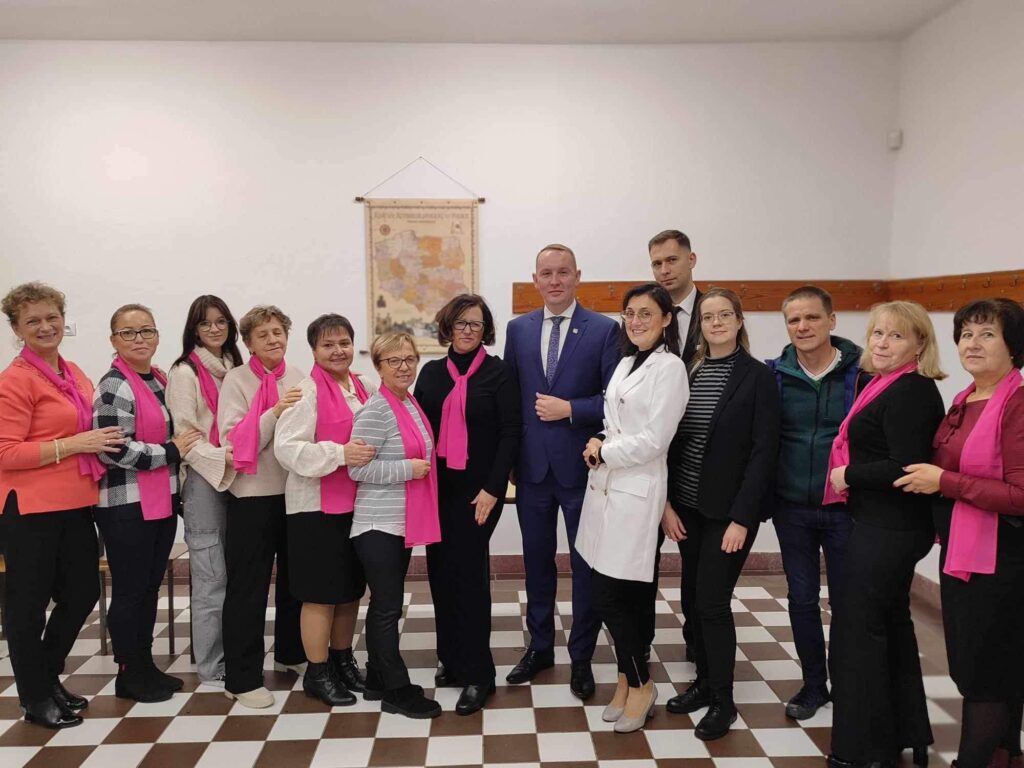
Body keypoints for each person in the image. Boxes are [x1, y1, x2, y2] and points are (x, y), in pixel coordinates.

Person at [895, 298, 1024, 768]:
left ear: (1014, 346)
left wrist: (944, 482)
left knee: (983, 673)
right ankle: (1004, 757)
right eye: (966, 333)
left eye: (987, 334)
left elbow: (1020, 495)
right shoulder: (965, 398)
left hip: (999, 561)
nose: (972, 343)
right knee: (992, 668)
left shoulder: (1016, 404)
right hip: (963, 553)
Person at [825, 300, 946, 768]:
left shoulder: (912, 390)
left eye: (896, 335)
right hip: (882, 522)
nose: (882, 342)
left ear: (919, 344)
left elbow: (905, 464)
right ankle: (902, 733)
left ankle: (862, 750)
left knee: (858, 633)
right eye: (878, 332)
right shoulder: (882, 382)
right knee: (888, 627)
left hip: (889, 527)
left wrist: (848, 475)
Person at [0, 282, 123, 729]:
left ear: (63, 319)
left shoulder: (71, 372)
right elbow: (5, 452)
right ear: (17, 329)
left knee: (83, 592)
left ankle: (46, 676)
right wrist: (74, 444)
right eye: (32, 321)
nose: (45, 326)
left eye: (52, 317)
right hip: (30, 509)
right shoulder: (15, 380)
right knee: (27, 607)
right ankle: (35, 698)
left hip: (74, 502)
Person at [662, 288, 780, 741]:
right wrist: (668, 504)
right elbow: (672, 441)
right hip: (688, 507)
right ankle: (704, 682)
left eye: (724, 315)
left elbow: (763, 453)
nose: (715, 323)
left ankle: (723, 700)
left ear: (738, 320)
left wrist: (742, 518)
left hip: (728, 515)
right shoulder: (688, 370)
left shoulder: (758, 377)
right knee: (692, 598)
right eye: (708, 316)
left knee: (712, 602)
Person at [502, 243, 619, 700]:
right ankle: (540, 647)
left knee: (584, 564)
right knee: (536, 563)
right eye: (546, 273)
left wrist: (571, 408)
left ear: (577, 276)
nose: (555, 280)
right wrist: (510, 460)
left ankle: (582, 656)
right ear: (535, 280)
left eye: (563, 272)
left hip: (581, 470)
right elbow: (512, 399)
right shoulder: (518, 329)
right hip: (531, 470)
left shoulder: (604, 330)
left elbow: (614, 399)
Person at [576, 283, 688, 733]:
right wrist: (600, 438)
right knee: (615, 594)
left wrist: (605, 451)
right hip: (605, 489)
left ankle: (642, 684)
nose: (636, 321)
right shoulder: (626, 361)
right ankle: (626, 678)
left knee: (614, 596)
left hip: (637, 494)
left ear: (666, 319)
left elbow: (656, 439)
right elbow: (616, 422)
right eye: (630, 313)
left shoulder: (670, 368)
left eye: (646, 313)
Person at [414, 295, 520, 715]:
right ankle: (452, 659)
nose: (468, 330)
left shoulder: (498, 373)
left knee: (470, 579)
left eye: (476, 324)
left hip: (479, 495)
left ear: (485, 329)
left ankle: (479, 674)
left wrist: (494, 489)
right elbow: (418, 428)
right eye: (460, 322)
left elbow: (511, 433)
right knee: (441, 574)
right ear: (447, 326)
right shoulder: (431, 373)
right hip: (437, 491)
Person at [766, 285, 868, 720]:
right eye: (794, 320)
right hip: (792, 508)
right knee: (802, 598)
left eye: (812, 317)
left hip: (845, 508)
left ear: (832, 320)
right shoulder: (774, 374)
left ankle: (847, 683)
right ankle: (813, 686)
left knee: (846, 601)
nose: (803, 326)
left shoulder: (861, 374)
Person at [93, 303, 202, 702]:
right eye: (128, 332)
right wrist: (170, 451)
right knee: (129, 590)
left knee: (148, 587)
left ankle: (144, 665)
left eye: (147, 331)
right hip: (125, 505)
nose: (139, 338)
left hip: (158, 501)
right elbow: (112, 449)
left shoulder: (157, 378)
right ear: (114, 339)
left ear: (157, 336)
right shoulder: (113, 385)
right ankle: (128, 673)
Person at [274, 314, 377, 707]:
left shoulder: (363, 387)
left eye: (344, 343)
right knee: (320, 593)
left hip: (357, 503)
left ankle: (342, 660)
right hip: (315, 508)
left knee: (349, 589)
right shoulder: (307, 392)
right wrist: (340, 453)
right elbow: (287, 449)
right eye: (328, 345)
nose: (338, 351)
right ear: (314, 350)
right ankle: (317, 673)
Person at [348, 332, 443, 719]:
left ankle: (376, 677)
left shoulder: (408, 402)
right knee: (387, 608)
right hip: (377, 523)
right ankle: (396, 690)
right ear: (379, 367)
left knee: (385, 605)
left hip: (398, 522)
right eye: (393, 361)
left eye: (409, 359)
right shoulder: (377, 410)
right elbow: (356, 468)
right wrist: (408, 469)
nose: (403, 367)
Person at [218, 305, 306, 709]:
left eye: (278, 332)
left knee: (295, 581)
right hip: (250, 496)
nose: (273, 339)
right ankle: (241, 678)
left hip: (295, 493)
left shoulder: (300, 376)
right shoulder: (236, 380)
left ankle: (291, 653)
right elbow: (233, 439)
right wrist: (275, 411)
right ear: (249, 343)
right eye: (263, 334)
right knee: (248, 590)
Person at [166, 295, 243, 688]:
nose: (214, 329)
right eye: (205, 323)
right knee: (211, 575)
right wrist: (224, 457)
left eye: (221, 322)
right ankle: (211, 665)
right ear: (193, 330)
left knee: (237, 572)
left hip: (239, 475)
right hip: (204, 479)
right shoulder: (184, 372)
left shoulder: (235, 369)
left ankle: (234, 651)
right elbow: (186, 437)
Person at [645, 229, 703, 661]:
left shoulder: (714, 311)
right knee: (643, 561)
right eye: (657, 263)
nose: (664, 270)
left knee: (698, 566)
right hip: (650, 457)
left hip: (699, 459)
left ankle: (700, 646)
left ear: (691, 260)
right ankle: (639, 645)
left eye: (671, 260)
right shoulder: (645, 316)